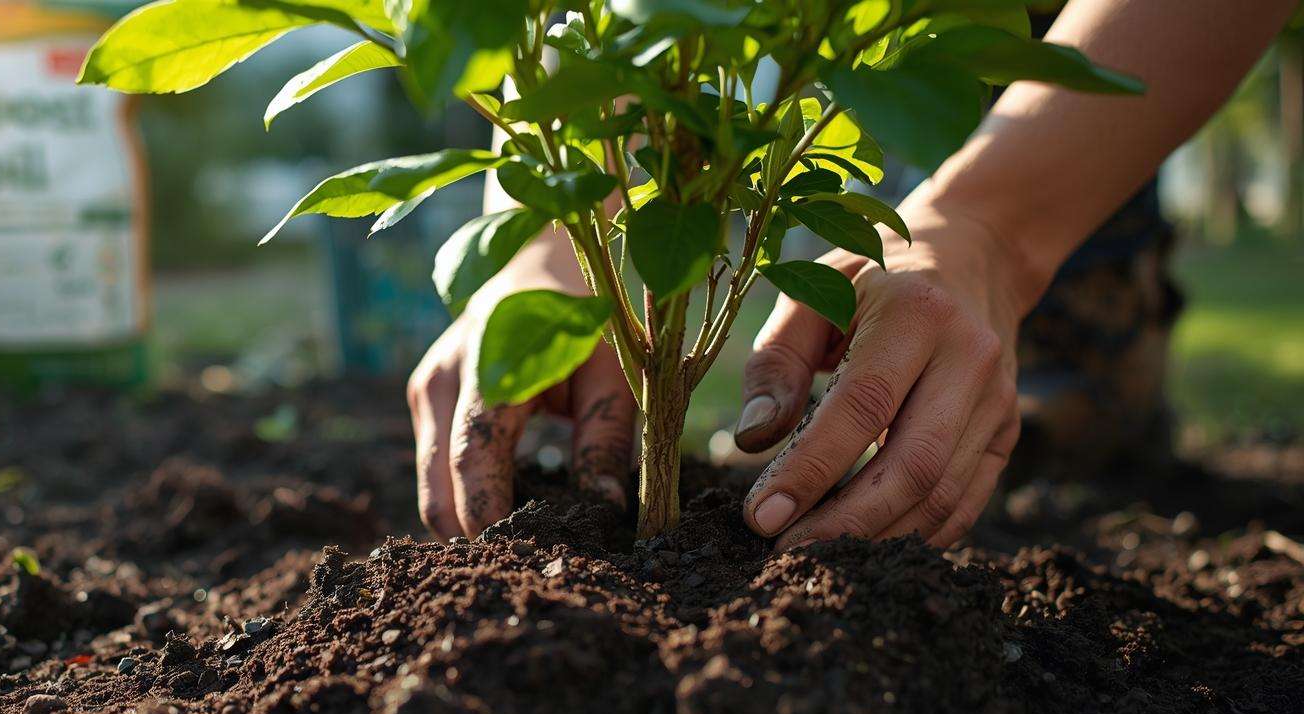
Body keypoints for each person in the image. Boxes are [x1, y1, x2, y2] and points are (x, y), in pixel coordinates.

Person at [406, 0, 1297, 546]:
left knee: (1024, 428)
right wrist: (559, 237)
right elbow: (632, 22)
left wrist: (998, 232)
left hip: (1061, 34)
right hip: (830, 59)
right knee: (874, 371)